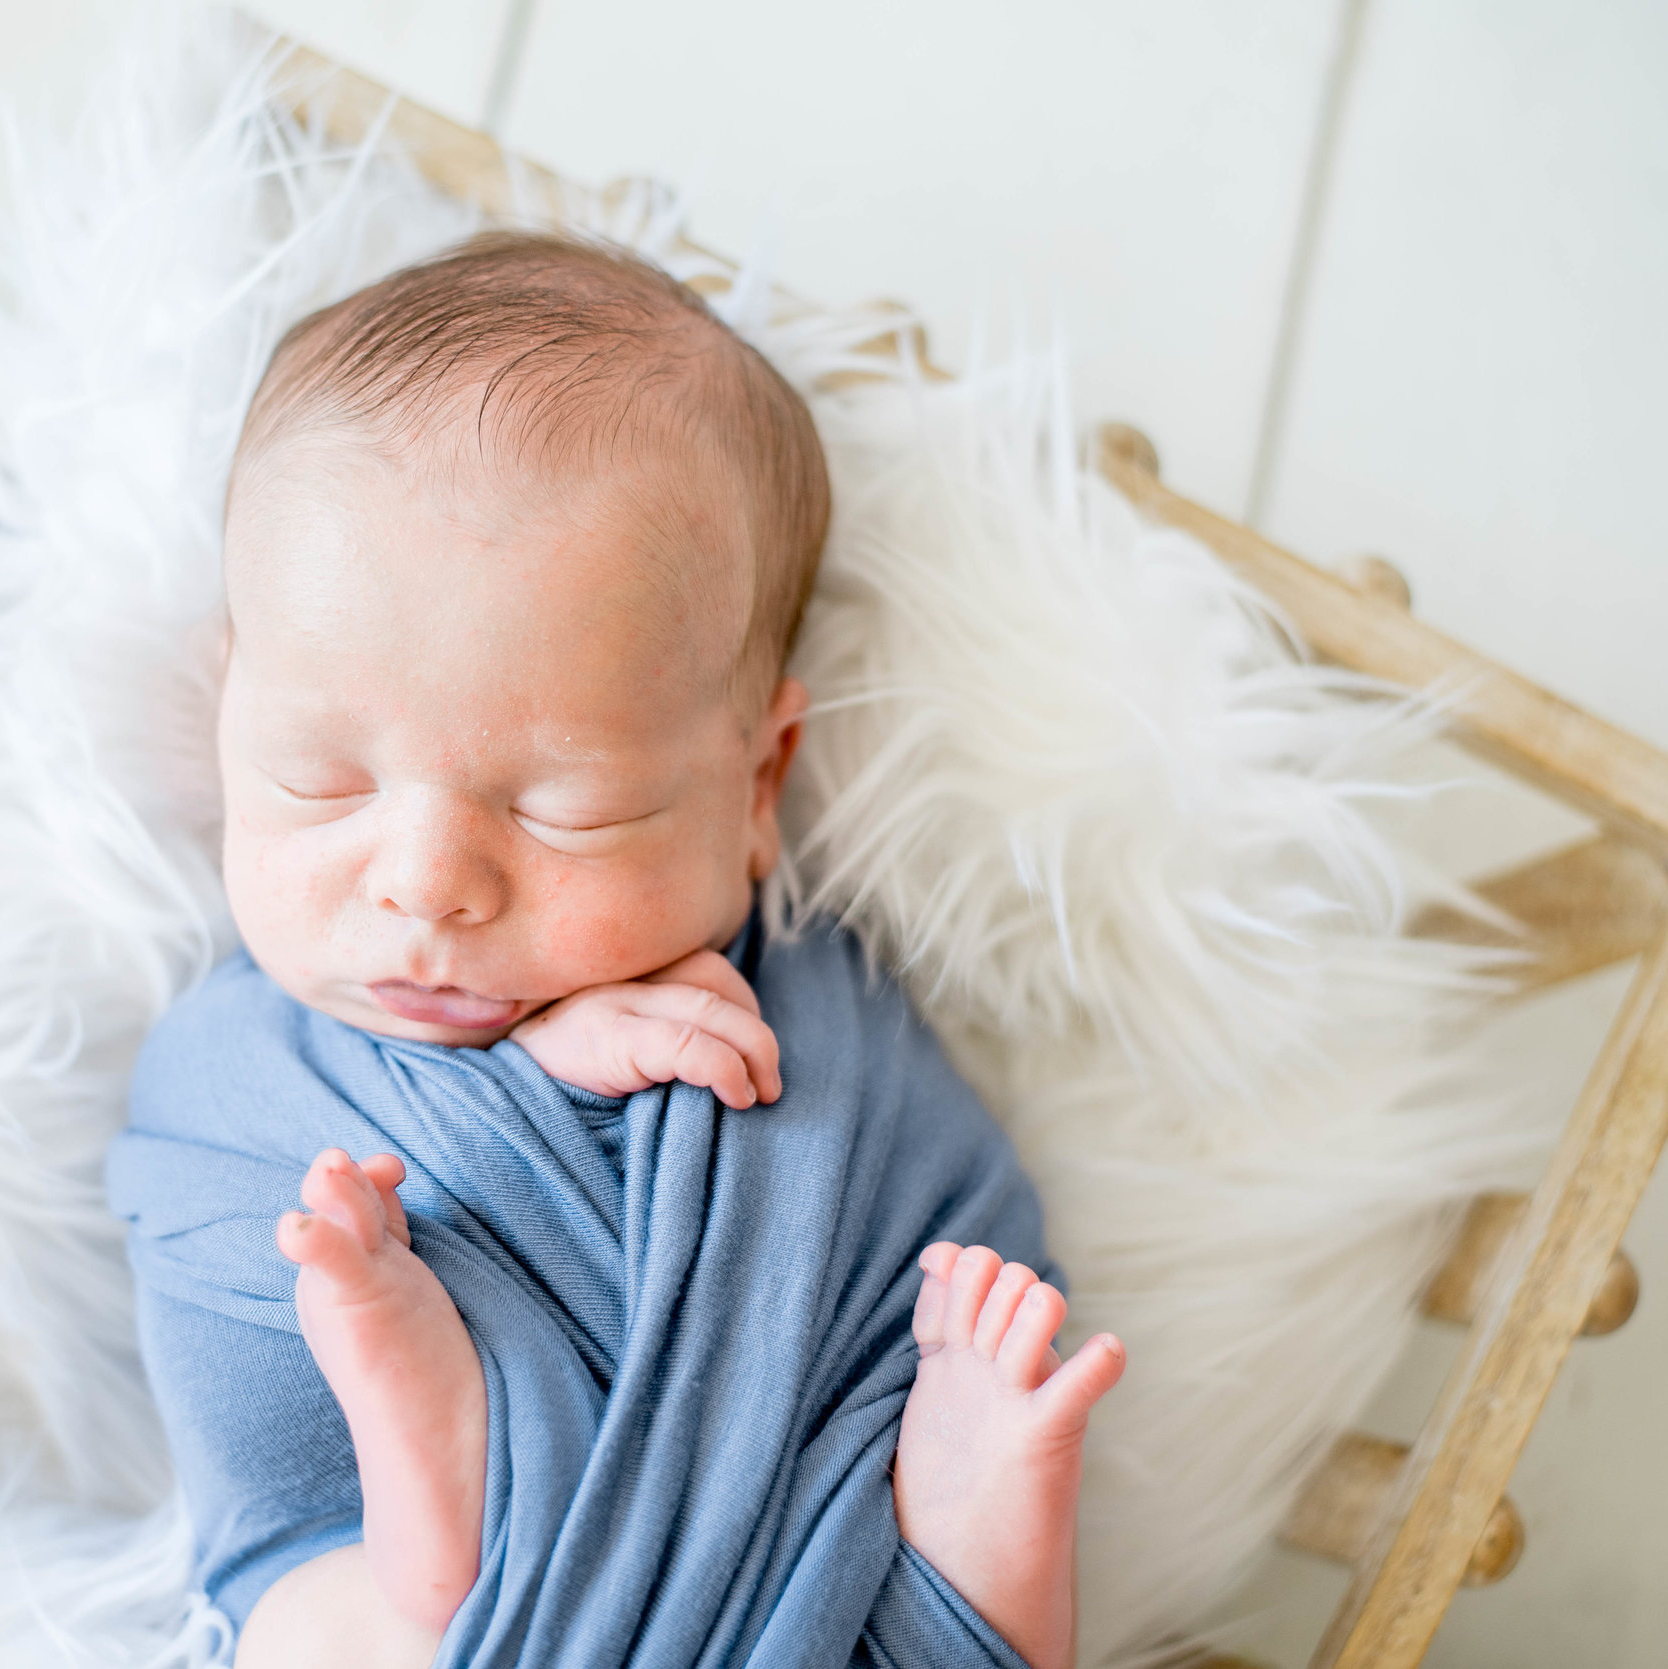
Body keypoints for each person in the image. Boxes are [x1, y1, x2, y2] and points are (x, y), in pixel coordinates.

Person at [108, 232, 1124, 1669]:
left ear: (758, 783)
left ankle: (963, 1537)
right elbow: (203, 1166)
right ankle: (450, 1502)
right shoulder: (255, 1067)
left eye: (560, 806)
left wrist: (593, 1091)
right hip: (346, 1520)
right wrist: (526, 1078)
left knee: (947, 1409)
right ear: (228, 707)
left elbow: (928, 1204)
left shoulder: (816, 1034)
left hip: (796, 1575)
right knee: (308, 1623)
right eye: (321, 778)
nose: (424, 885)